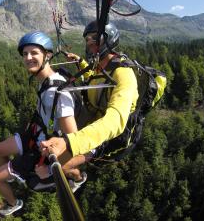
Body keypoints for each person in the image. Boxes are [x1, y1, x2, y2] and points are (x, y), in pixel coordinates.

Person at [0, 31, 86, 216]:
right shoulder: (46, 81)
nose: (28, 58)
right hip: (37, 133)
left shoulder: (58, 92)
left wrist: (49, 168)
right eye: (25, 54)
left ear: (47, 55)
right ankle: (14, 175)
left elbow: (75, 140)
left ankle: (14, 201)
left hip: (44, 146)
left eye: (34, 53)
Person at [40, 21, 139, 166]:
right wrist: (80, 62)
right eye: (87, 39)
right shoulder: (102, 67)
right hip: (92, 121)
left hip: (109, 136)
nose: (90, 42)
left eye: (95, 38)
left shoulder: (124, 74)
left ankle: (77, 177)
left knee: (56, 168)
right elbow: (94, 81)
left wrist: (70, 142)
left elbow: (115, 121)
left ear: (109, 39)